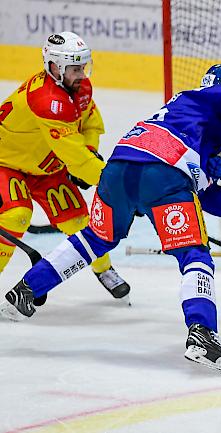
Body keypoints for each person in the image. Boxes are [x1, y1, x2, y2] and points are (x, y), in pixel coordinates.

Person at [0, 64, 221, 375]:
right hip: (164, 174)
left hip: (119, 168)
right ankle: (202, 333)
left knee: (95, 238)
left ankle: (25, 291)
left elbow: (202, 195)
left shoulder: (190, 117)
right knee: (194, 253)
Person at [0, 31, 130, 303]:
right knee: (16, 215)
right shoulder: (47, 101)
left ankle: (104, 269)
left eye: (83, 66)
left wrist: (91, 151)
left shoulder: (79, 88)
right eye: (74, 68)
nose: (81, 74)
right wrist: (117, 186)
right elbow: (76, 158)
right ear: (54, 67)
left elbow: (90, 125)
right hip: (7, 164)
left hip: (47, 168)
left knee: (80, 221)